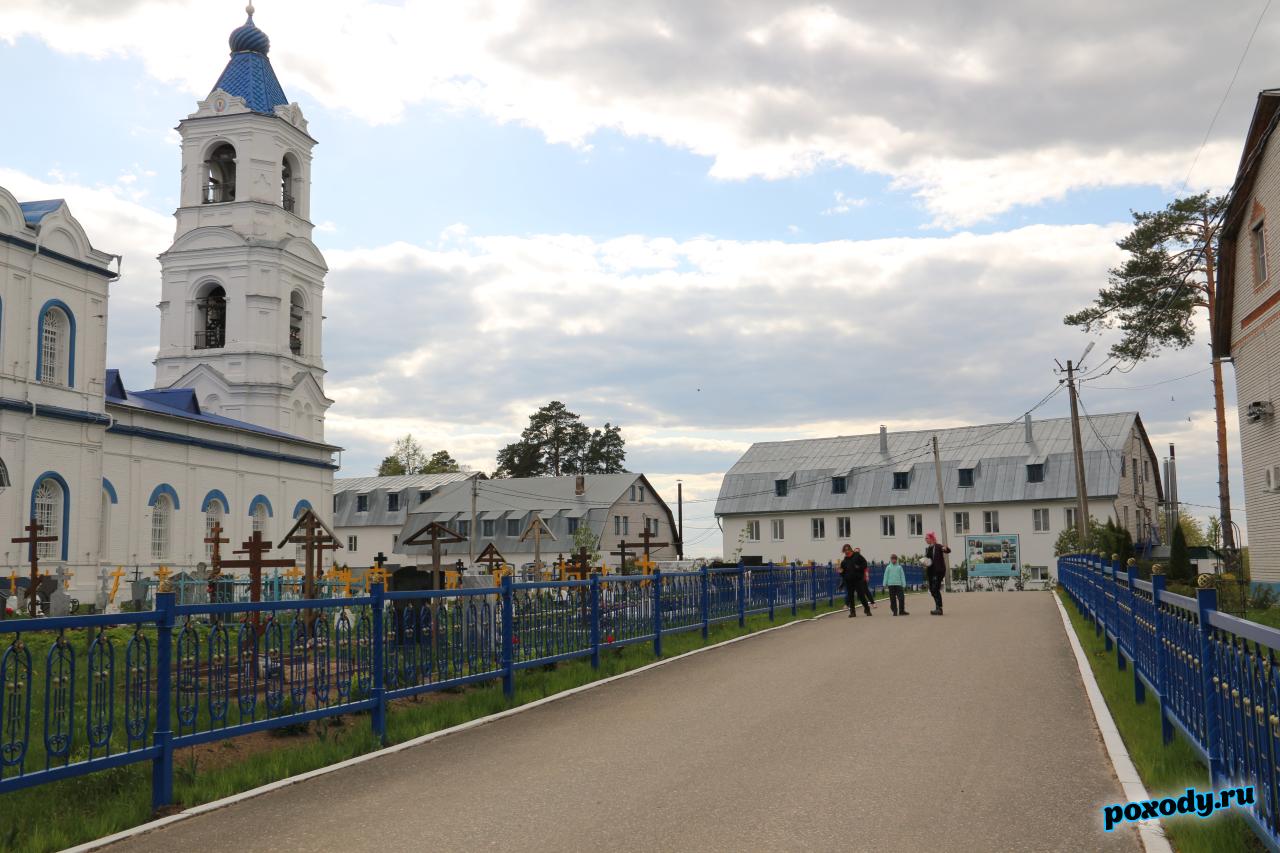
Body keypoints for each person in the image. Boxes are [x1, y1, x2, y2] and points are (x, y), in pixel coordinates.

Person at [839, 544, 873, 617]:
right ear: (844, 551)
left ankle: (867, 609)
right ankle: (852, 612)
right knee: (851, 597)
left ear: (850, 549)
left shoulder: (857, 556)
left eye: (848, 549)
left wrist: (859, 567)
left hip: (858, 580)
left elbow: (865, 564)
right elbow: (842, 572)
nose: (847, 551)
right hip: (849, 581)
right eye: (845, 550)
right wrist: (841, 573)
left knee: (861, 596)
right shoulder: (844, 561)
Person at [924, 532, 951, 615]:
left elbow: (947, 550)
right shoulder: (928, 548)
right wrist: (924, 562)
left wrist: (946, 548)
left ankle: (939, 608)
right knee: (932, 590)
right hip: (931, 572)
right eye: (925, 538)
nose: (925, 540)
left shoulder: (938, 546)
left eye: (927, 538)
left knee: (935, 588)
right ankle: (937, 607)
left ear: (931, 539)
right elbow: (928, 559)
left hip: (938, 571)